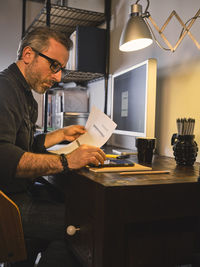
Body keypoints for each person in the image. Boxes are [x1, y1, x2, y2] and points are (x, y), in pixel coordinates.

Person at [0, 26, 106, 266]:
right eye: (54, 66)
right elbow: (3, 156)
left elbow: (25, 145)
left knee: (71, 209)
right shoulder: (4, 89)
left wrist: (61, 134)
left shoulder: (23, 93)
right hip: (8, 205)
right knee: (85, 227)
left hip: (17, 194)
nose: (58, 77)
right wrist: (67, 161)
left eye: (61, 69)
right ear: (29, 55)